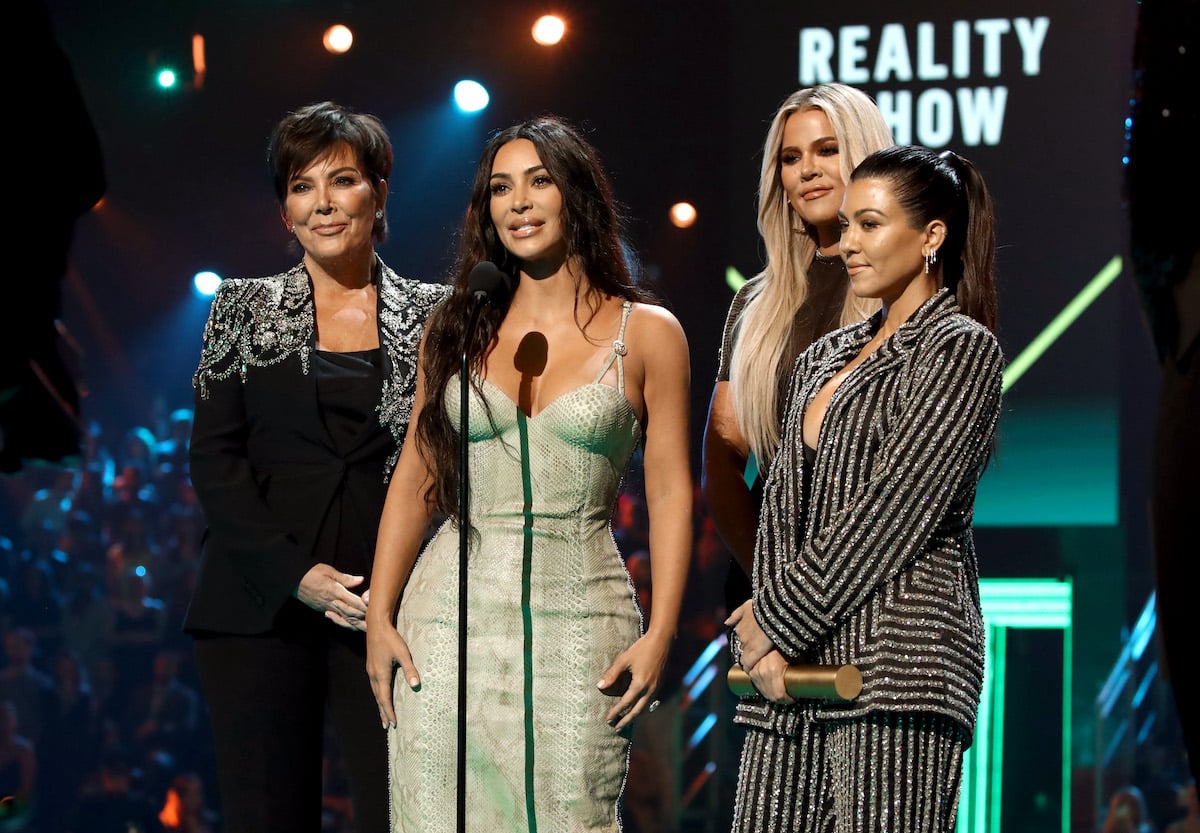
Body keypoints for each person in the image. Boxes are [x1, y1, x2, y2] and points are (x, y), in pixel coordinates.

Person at [365, 115, 693, 832]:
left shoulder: (647, 332)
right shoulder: (456, 326)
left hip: (580, 617)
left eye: (539, 181)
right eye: (500, 188)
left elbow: (670, 488)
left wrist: (663, 628)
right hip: (444, 624)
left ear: (577, 193)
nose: (518, 202)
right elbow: (418, 475)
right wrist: (380, 617)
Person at [184, 100, 449, 833]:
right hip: (256, 610)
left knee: (402, 814)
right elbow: (215, 461)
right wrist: (293, 574)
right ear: (285, 211)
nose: (323, 203)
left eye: (343, 180)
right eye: (302, 186)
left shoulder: (438, 315)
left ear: (380, 193)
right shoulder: (240, 308)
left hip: (393, 611)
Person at [725, 145, 1004, 832]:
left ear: (931, 236)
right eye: (847, 225)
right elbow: (781, 509)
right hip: (793, 673)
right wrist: (769, 640)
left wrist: (775, 618)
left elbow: (896, 509)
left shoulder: (960, 348)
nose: (848, 242)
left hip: (896, 670)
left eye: (870, 225)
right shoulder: (824, 356)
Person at [701, 84, 894, 614]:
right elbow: (723, 461)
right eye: (791, 158)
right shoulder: (755, 303)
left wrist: (816, 593)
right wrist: (771, 586)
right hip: (765, 588)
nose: (807, 170)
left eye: (827, 150)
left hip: (876, 594)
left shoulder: (903, 291)